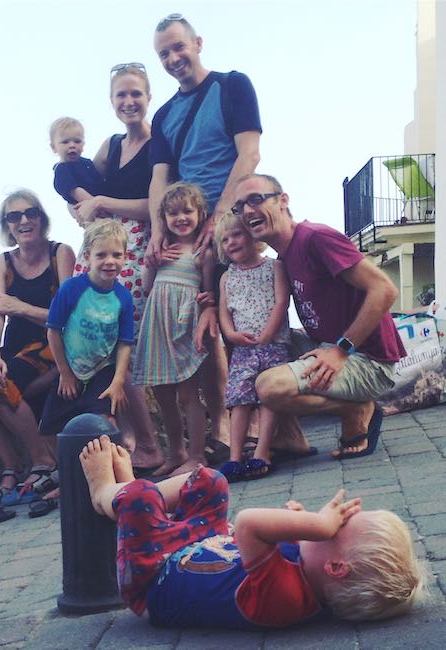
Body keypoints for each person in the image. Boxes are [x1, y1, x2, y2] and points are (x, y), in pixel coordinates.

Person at [80, 434, 426, 628]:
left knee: (140, 499)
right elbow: (286, 544)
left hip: (154, 579)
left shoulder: (286, 599)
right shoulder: (311, 571)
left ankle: (107, 494)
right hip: (203, 545)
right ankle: (130, 498)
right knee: (211, 481)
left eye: (337, 530)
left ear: (336, 568)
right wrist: (302, 524)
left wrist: (315, 524)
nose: (330, 522)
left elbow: (248, 523)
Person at [148, 13, 262, 448]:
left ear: (197, 42)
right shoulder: (164, 115)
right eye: (164, 53)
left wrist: (221, 213)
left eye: (179, 47)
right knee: (208, 323)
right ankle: (226, 427)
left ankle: (255, 425)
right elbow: (161, 176)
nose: (174, 58)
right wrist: (160, 225)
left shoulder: (233, 86)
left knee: (247, 318)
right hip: (192, 229)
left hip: (234, 218)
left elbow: (248, 154)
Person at [233, 173, 405, 458]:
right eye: (239, 206)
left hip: (367, 361)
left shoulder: (316, 238)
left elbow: (384, 289)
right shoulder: (285, 257)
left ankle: (358, 407)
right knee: (257, 349)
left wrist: (341, 350)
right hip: (326, 347)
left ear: (283, 201)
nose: (248, 210)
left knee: (269, 387)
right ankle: (291, 438)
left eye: (256, 199)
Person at [70, 61, 164, 471]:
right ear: (112, 102)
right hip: (100, 249)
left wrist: (103, 204)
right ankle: (128, 438)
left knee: (123, 346)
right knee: (100, 348)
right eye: (121, 95)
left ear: (148, 97)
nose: (129, 101)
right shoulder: (109, 146)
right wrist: (83, 204)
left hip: (133, 249)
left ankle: (148, 443)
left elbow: (156, 204)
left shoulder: (159, 143)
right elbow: (79, 185)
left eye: (135, 93)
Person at [0, 190, 75, 504]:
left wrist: (21, 307)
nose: (24, 220)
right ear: (7, 226)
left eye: (30, 213)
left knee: (0, 385)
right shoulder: (2, 263)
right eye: (14, 216)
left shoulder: (60, 254)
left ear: (41, 218)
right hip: (14, 347)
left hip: (52, 344)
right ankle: (11, 464)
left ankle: (44, 461)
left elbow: (67, 317)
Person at [132, 182, 214, 476]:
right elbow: (146, 285)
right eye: (173, 213)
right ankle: (176, 451)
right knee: (162, 392)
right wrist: (152, 264)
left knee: (188, 393)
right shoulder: (161, 248)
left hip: (183, 323)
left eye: (187, 212)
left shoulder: (203, 251)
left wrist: (207, 305)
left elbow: (207, 289)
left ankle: (196, 455)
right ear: (164, 219)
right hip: (157, 323)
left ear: (200, 213)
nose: (180, 218)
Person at [214, 212, 290, 481]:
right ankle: (235, 458)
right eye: (225, 240)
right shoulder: (227, 277)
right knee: (239, 400)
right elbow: (223, 311)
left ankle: (262, 453)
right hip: (243, 348)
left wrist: (268, 333)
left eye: (237, 235)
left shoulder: (274, 267)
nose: (231, 242)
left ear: (252, 236)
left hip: (273, 345)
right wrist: (231, 334)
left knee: (267, 397)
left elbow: (281, 301)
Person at [40, 220, 133, 435]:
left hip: (103, 368)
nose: (109, 261)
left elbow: (125, 343)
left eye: (116, 255)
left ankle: (114, 463)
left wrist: (118, 381)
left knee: (104, 419)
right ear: (88, 256)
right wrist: (64, 372)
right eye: (101, 255)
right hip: (71, 366)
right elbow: (53, 330)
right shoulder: (72, 289)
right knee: (50, 428)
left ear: (125, 257)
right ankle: (64, 466)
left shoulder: (123, 297)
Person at [50, 116, 103, 204]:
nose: (72, 145)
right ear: (54, 147)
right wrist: (101, 207)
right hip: (90, 208)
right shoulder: (61, 171)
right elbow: (77, 193)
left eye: (77, 141)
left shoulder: (87, 163)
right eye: (65, 142)